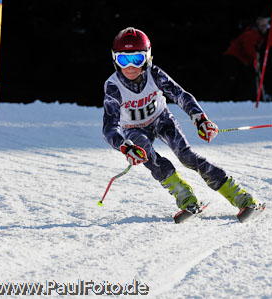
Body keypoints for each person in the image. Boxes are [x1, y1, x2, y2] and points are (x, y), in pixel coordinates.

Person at [103, 27, 261, 216]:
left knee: (187, 156)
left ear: (148, 57)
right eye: (123, 59)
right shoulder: (113, 86)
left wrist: (200, 118)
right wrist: (125, 147)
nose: (130, 66)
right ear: (114, 59)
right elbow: (109, 129)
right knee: (148, 156)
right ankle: (186, 197)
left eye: (137, 59)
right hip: (134, 129)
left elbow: (180, 96)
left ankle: (239, 196)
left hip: (161, 120)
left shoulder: (154, 74)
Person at [217, 17, 270, 101]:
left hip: (242, 60)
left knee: (242, 80)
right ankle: (223, 99)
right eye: (262, 25)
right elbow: (248, 47)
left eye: (266, 26)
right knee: (230, 80)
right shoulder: (253, 32)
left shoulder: (260, 35)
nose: (264, 28)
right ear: (258, 25)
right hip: (234, 58)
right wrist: (255, 57)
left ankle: (237, 99)